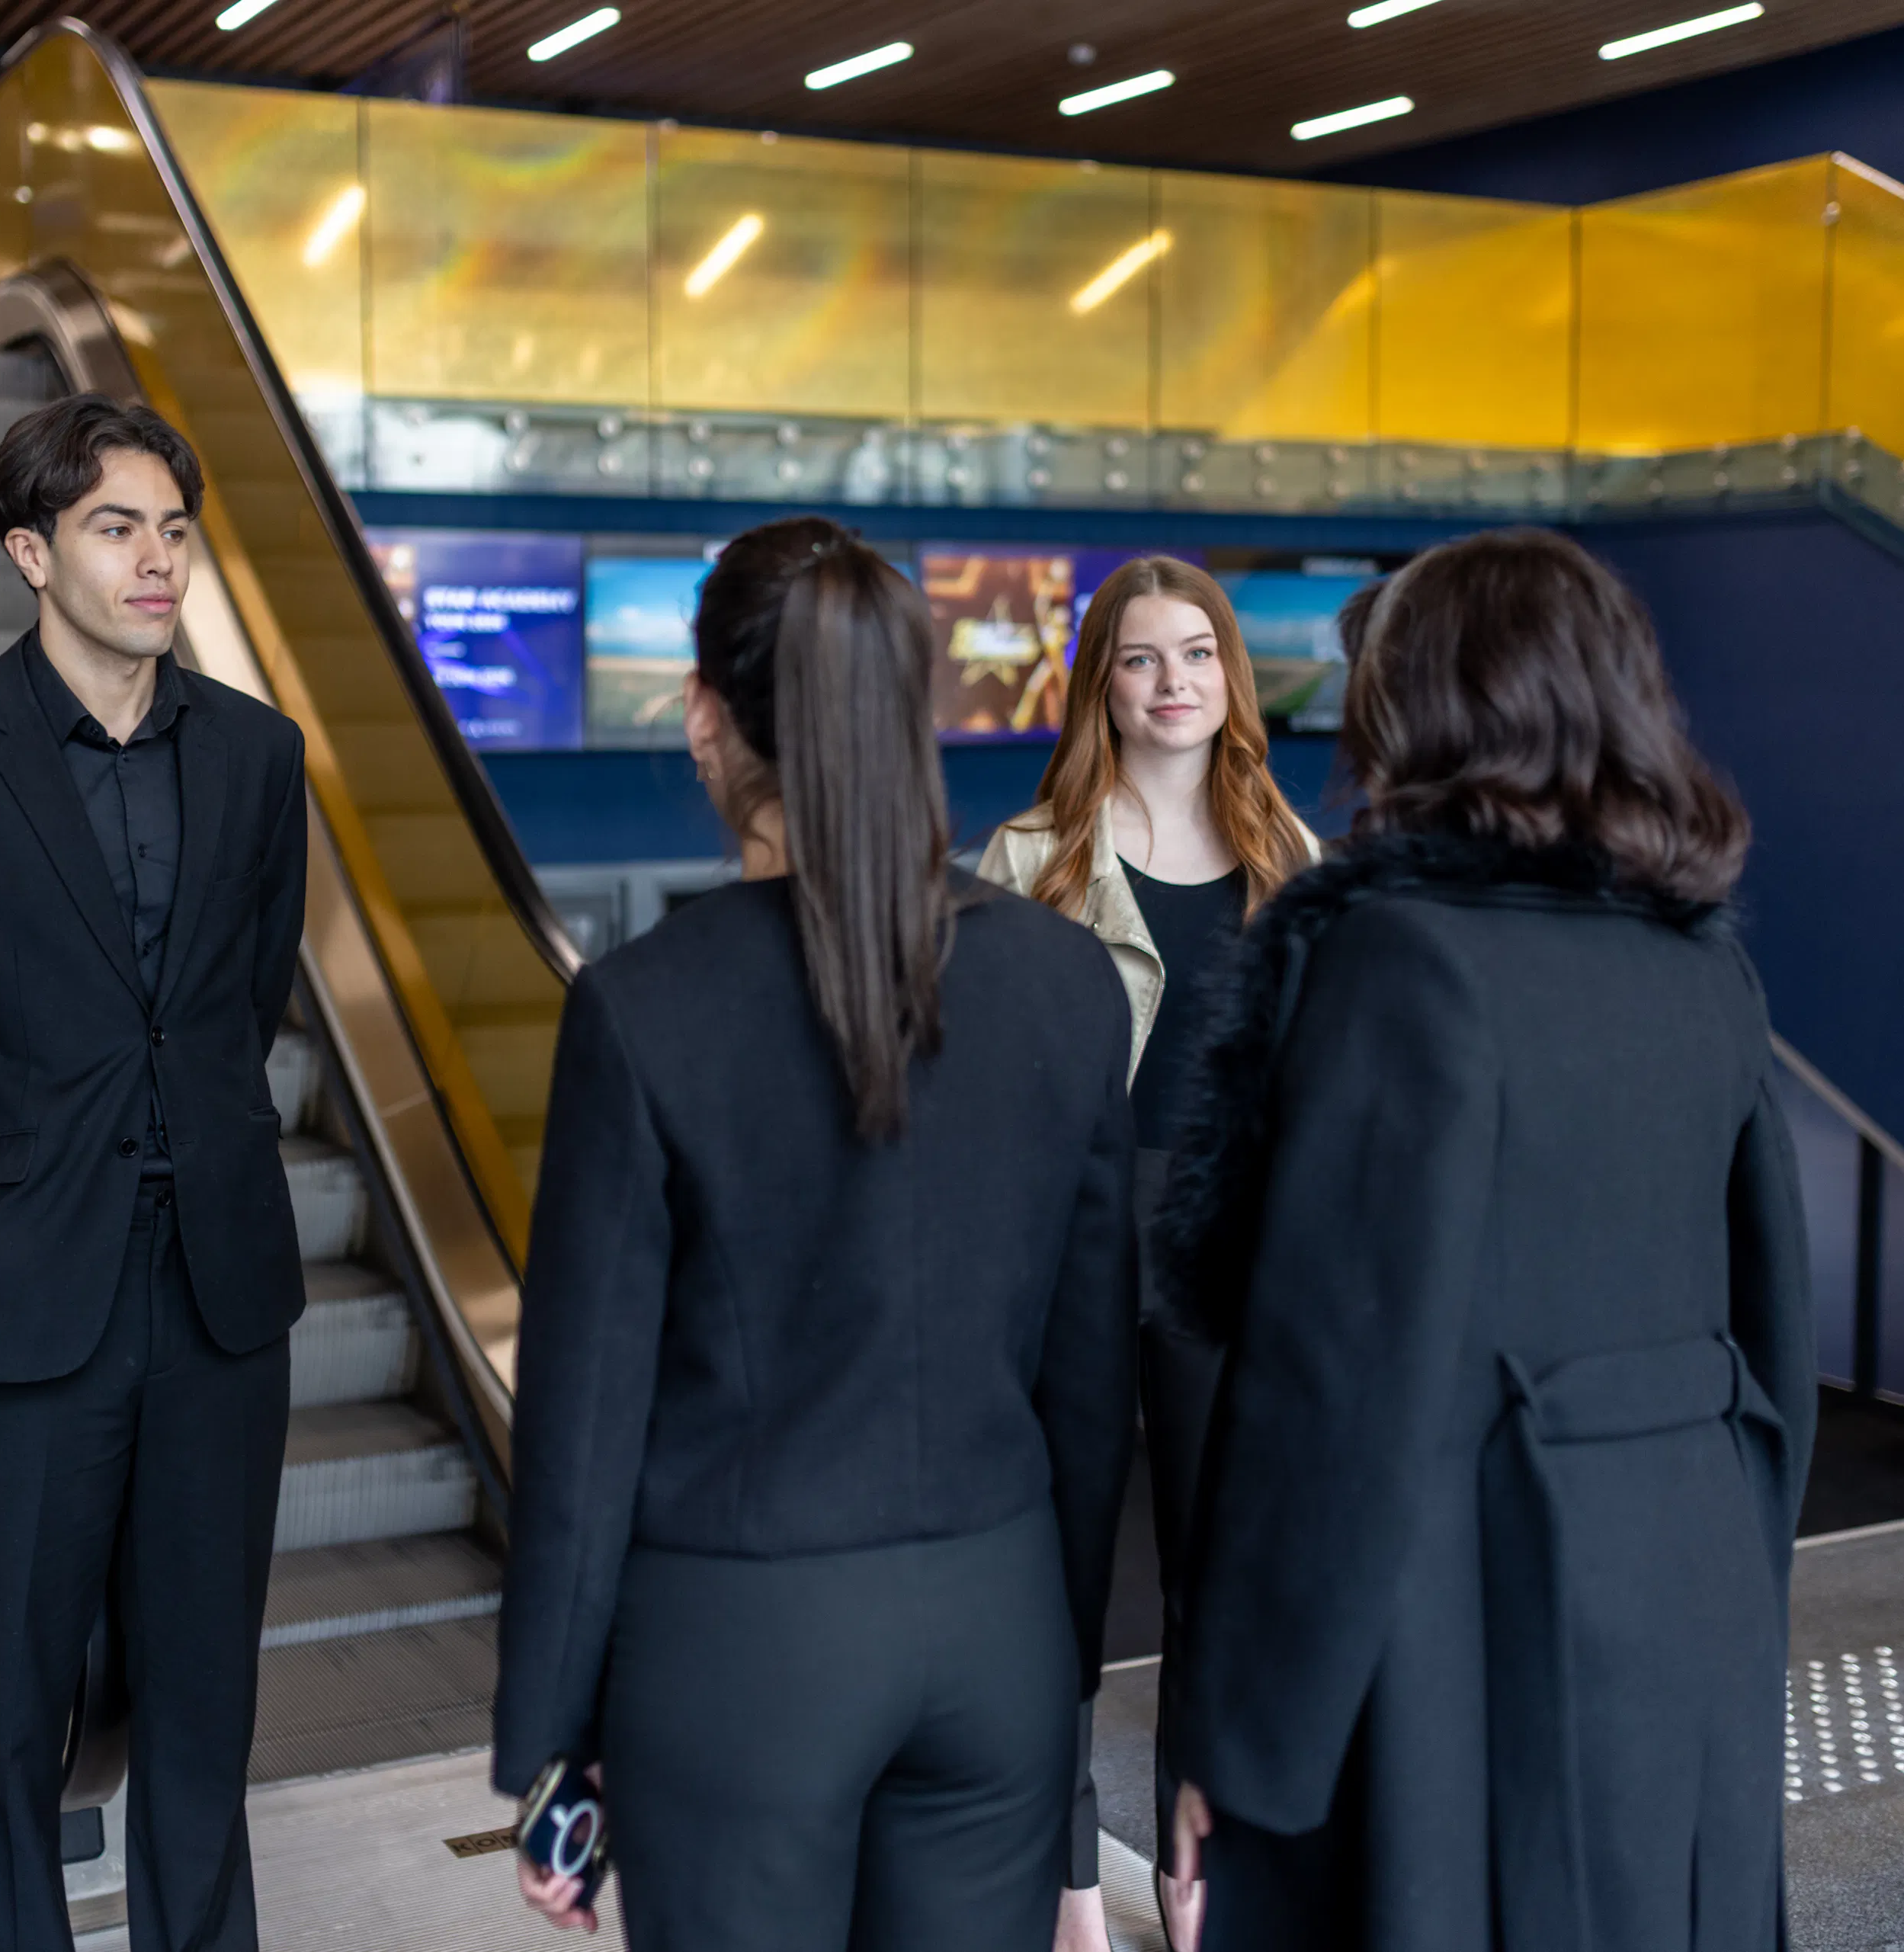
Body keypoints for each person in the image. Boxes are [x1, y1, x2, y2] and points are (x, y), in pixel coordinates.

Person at [1153, 527, 1814, 1951]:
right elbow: (1779, 1334)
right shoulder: (1703, 959)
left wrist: (1242, 1732)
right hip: (1697, 1591)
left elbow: (1336, 1383)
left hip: (1465, 1609)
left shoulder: (1398, 960)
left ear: (1426, 708)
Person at [492, 516, 1138, 1950]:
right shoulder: (1067, 982)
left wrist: (552, 1739)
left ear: (708, 718)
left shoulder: (645, 1008)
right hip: (999, 1627)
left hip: (739, 1650)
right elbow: (1090, 1384)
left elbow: (585, 1419)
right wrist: (1058, 1653)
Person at [0, 395, 309, 1951]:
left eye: (172, 527)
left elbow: (247, 992)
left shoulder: (255, 753)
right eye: (115, 527)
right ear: (29, 551)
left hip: (219, 1292)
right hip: (22, 1299)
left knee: (203, 1699)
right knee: (12, 1705)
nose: (156, 560)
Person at [976, 555, 1318, 1952]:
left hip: (1224, 1245)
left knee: (1214, 1577)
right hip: (1064, 1237)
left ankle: (1190, 1878)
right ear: (1099, 683)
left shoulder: (1298, 864)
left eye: (1197, 655)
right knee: (1049, 1575)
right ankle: (1066, 1885)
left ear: (1230, 678)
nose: (1173, 681)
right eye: (1139, 657)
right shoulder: (1023, 859)